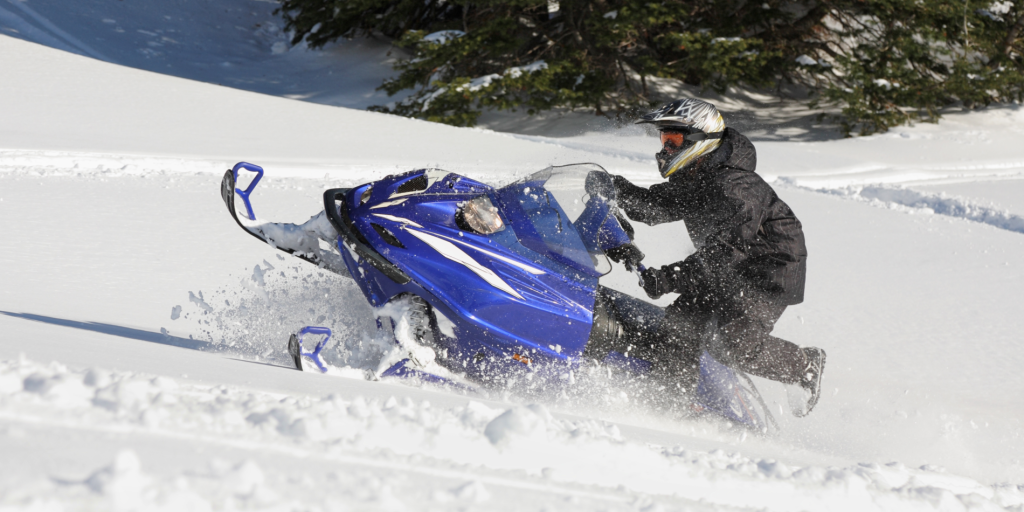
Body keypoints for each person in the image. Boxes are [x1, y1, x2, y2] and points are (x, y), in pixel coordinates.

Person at [607, 98, 826, 417]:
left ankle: (805, 366)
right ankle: (670, 404)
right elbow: (656, 206)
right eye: (664, 140)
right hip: (723, 266)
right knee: (679, 325)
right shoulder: (696, 175)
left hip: (767, 272)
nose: (666, 148)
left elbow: (726, 253)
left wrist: (669, 277)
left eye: (674, 140)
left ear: (700, 139)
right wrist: (616, 189)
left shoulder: (735, 186)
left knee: (732, 342)